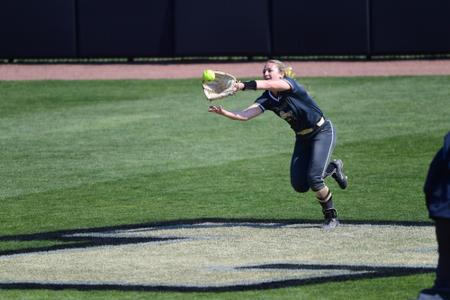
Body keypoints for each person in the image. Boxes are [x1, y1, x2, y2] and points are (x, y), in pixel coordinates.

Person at [208, 60, 348, 229]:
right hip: (302, 139)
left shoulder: (289, 84)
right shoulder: (267, 98)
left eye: (270, 70)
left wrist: (242, 85)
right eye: (264, 71)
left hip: (322, 132)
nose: (266, 73)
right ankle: (332, 167)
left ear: (281, 73)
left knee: (314, 179)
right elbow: (245, 115)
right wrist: (224, 112)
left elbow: (267, 84)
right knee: (300, 185)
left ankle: (331, 217)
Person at [418, 132, 450, 300]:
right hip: (443, 207)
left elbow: (430, 184)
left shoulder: (445, 149)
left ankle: (443, 289)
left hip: (442, 207)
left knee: (445, 255)